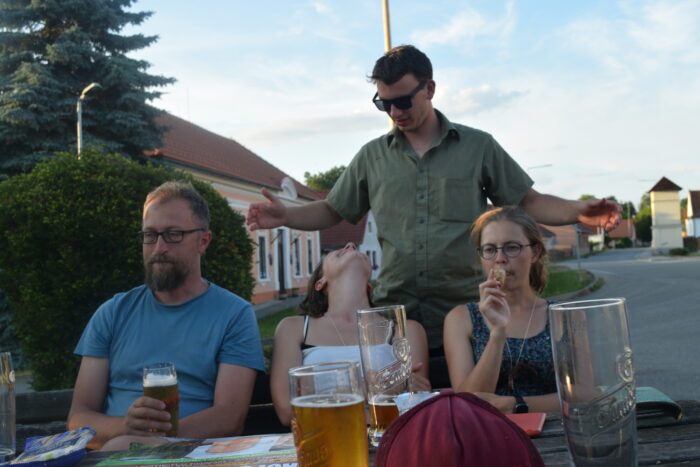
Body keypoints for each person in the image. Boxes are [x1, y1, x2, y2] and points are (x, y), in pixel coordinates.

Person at [246, 44, 621, 353]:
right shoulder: (372, 157)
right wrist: (287, 216)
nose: (395, 112)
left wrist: (579, 211)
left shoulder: (477, 147)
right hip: (396, 321)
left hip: (468, 316)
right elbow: (332, 209)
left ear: (429, 88)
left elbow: (528, 202)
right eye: (384, 104)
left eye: (403, 101)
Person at [67, 181, 265, 448]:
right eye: (150, 235)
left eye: (173, 234)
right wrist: (126, 428)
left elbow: (229, 418)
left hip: (195, 456)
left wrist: (151, 444)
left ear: (203, 241)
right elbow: (78, 418)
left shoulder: (234, 314)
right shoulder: (112, 313)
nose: (159, 247)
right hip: (115, 455)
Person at [270, 242, 430, 426]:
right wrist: (382, 386)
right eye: (336, 251)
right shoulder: (293, 328)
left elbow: (414, 402)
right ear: (320, 283)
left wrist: (321, 394)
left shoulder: (406, 329)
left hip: (389, 434)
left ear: (369, 286)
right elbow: (286, 411)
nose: (351, 245)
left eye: (356, 248)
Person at [443, 206, 559, 414]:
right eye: (489, 249)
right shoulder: (460, 318)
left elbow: (583, 394)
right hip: (486, 429)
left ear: (535, 252)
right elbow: (466, 402)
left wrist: (515, 404)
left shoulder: (561, 315)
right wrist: (497, 333)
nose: (500, 258)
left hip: (555, 429)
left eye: (512, 247)